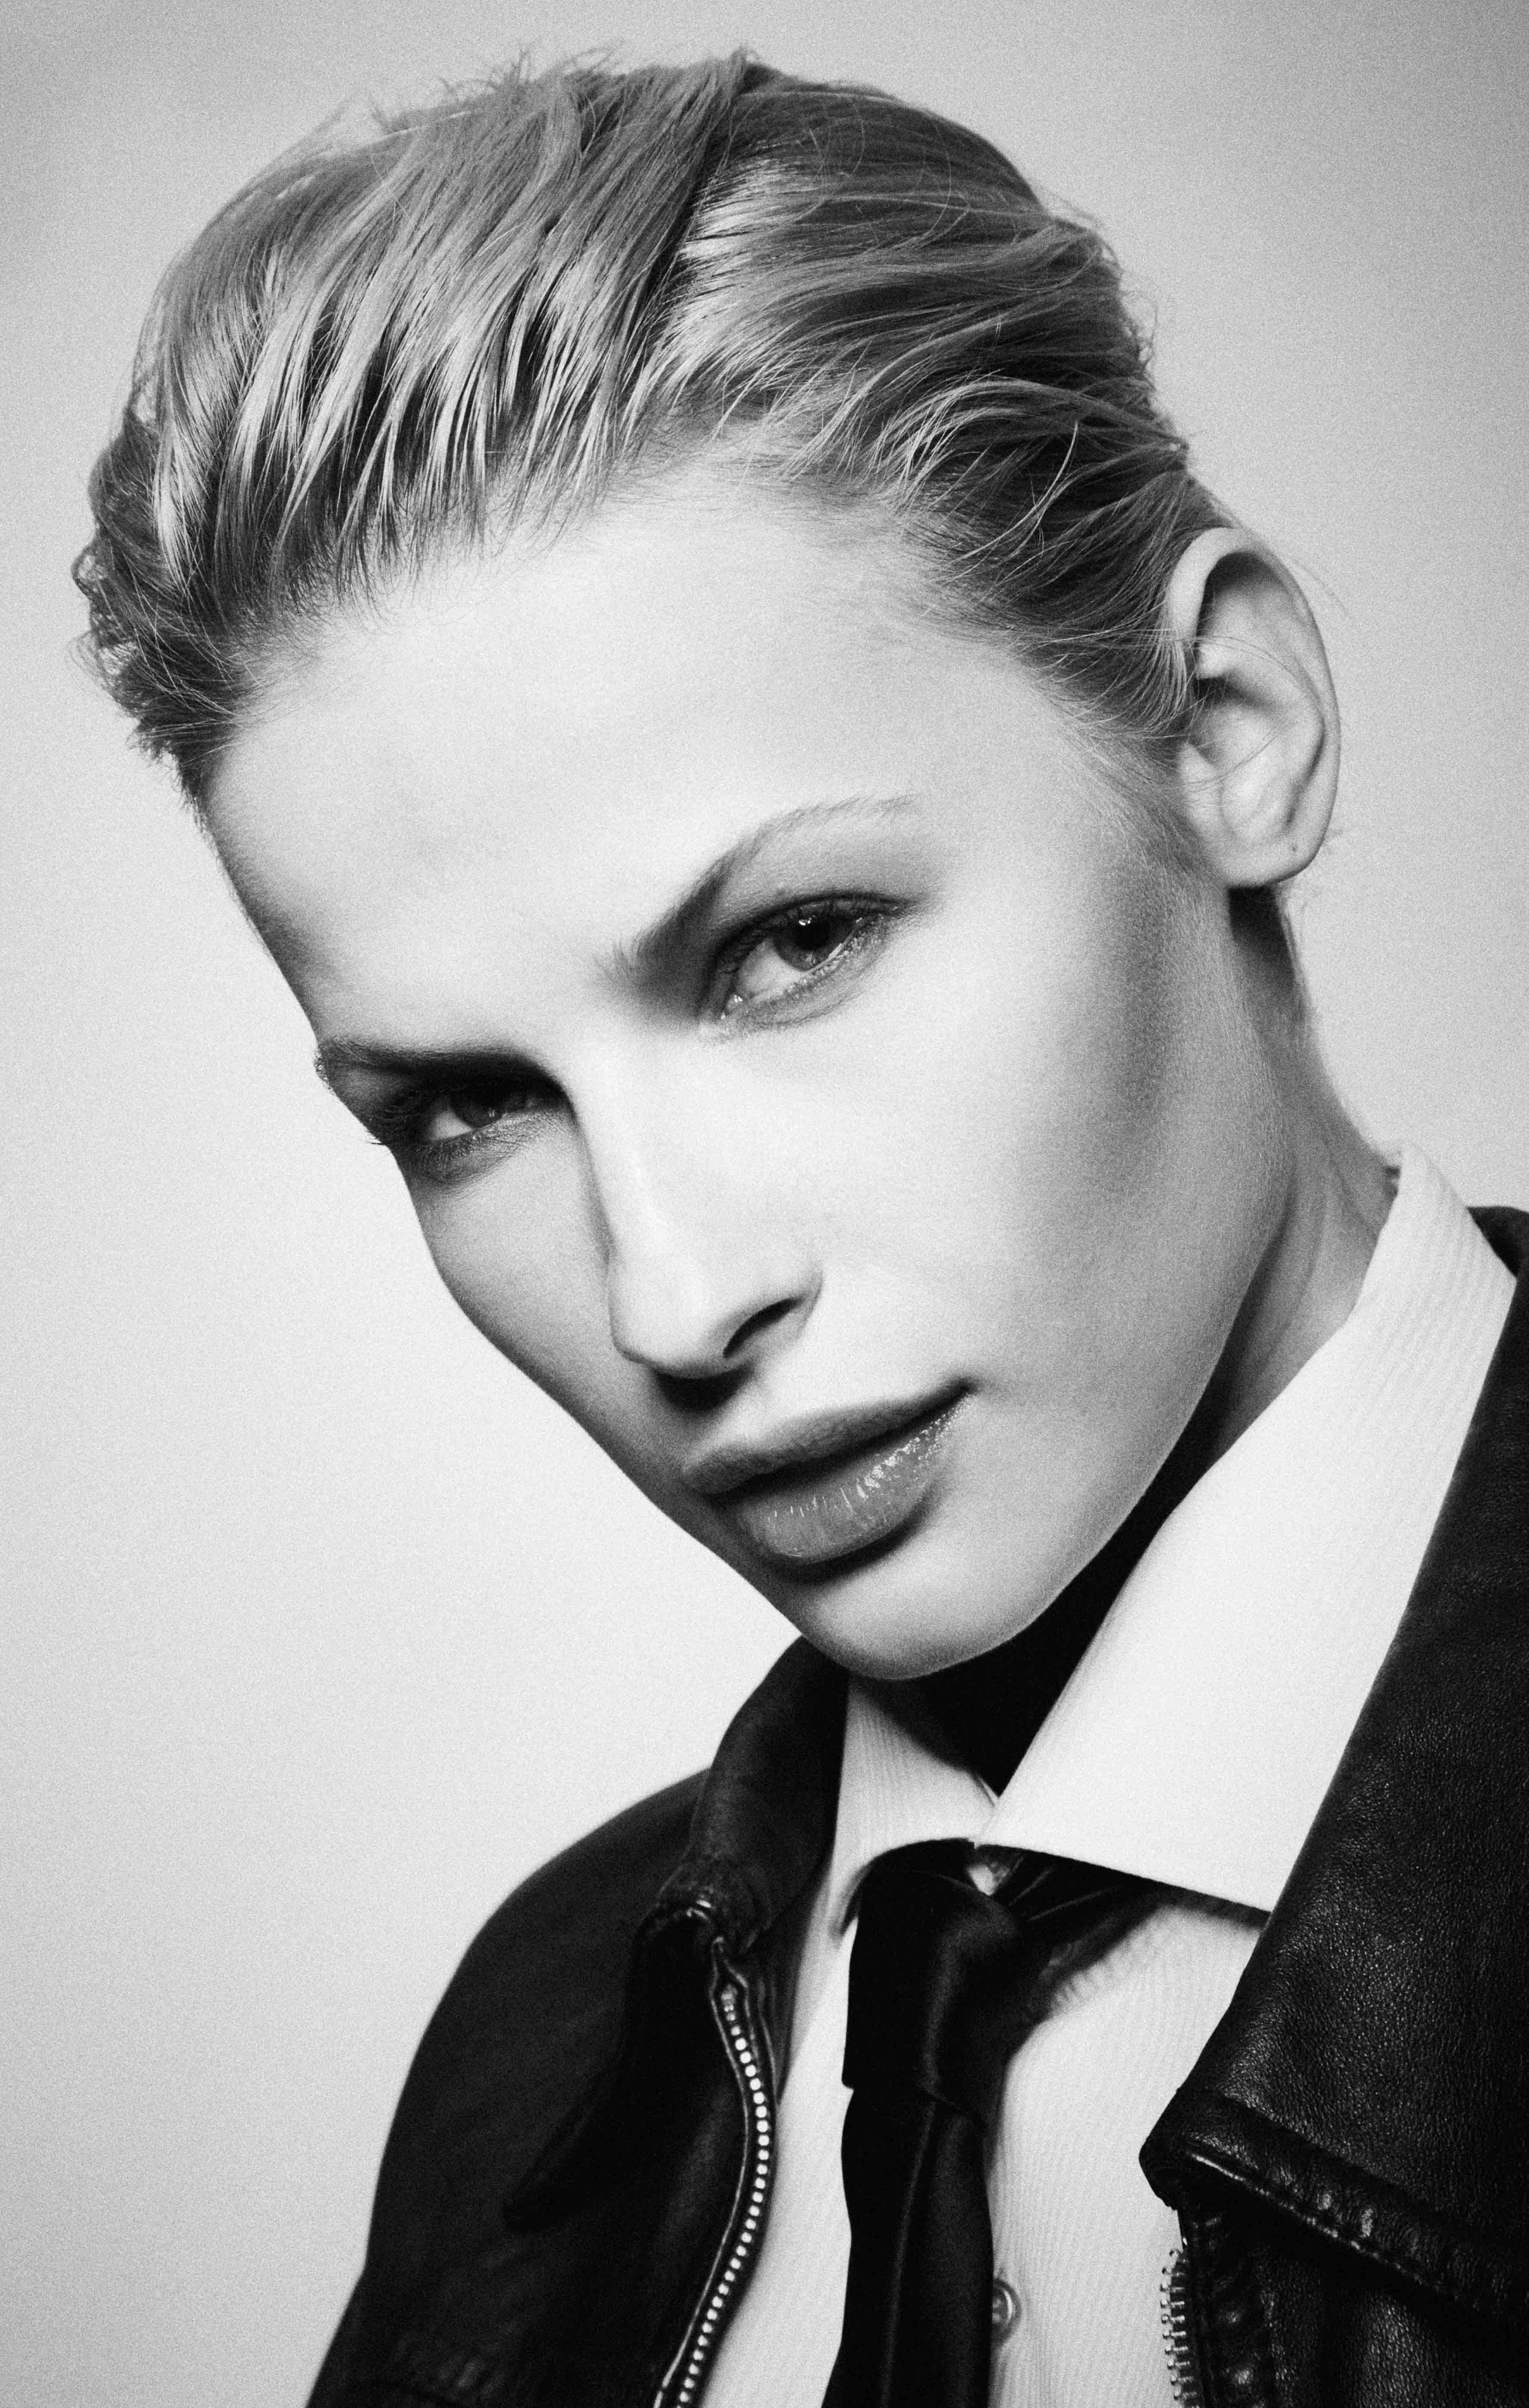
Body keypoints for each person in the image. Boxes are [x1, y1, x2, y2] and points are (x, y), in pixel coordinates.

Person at [75, 53, 1529, 2408]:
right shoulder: (536, 2060)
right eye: (466, 1108)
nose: (675, 1295)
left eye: (793, 943)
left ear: (1225, 724)